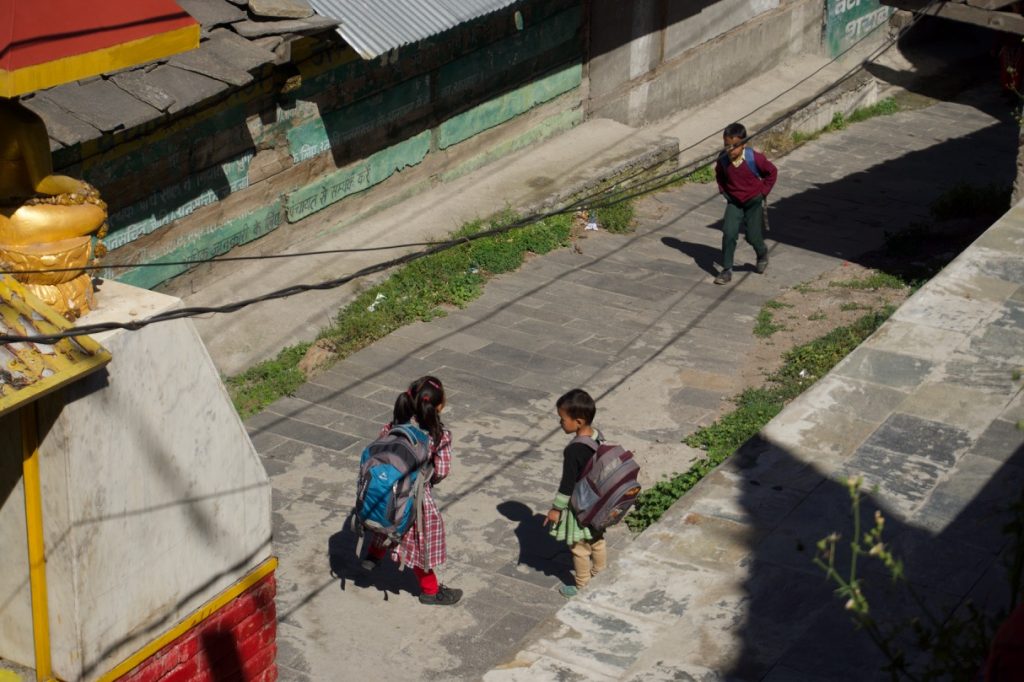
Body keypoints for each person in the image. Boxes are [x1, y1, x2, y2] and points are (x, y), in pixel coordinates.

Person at [362, 376, 462, 606]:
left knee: (388, 518)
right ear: (439, 406)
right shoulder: (439, 435)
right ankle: (430, 591)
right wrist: (428, 479)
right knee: (418, 542)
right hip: (415, 498)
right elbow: (442, 471)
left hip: (387, 488)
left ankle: (373, 556)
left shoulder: (392, 426)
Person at [544, 388, 607, 598]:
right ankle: (601, 573)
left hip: (580, 505)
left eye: (563, 419)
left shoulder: (574, 450)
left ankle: (582, 585)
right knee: (597, 541)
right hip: (599, 502)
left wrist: (556, 509)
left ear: (578, 422)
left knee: (579, 547)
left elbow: (567, 484)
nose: (560, 423)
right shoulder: (597, 436)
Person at [713, 122, 778, 285]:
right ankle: (727, 269)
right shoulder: (723, 159)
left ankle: (761, 252)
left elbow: (772, 172)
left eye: (734, 146)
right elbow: (719, 175)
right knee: (729, 232)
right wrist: (724, 192)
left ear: (743, 144)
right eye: (726, 145)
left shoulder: (754, 158)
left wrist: (763, 193)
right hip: (734, 202)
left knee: (752, 236)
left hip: (753, 202)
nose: (730, 150)